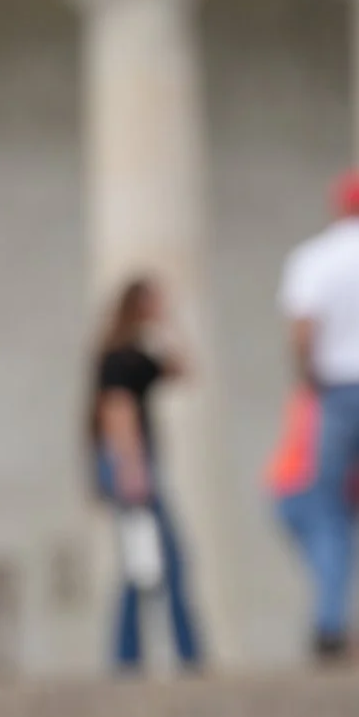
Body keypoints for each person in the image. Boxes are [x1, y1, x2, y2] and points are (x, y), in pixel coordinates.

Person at [279, 168, 359, 659]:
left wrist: (309, 381)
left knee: (329, 509)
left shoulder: (316, 258)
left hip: (339, 393)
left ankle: (331, 621)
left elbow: (304, 330)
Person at [88, 274, 203, 673]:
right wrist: (132, 470)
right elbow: (117, 411)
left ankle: (131, 656)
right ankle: (177, 655)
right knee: (159, 560)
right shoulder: (121, 357)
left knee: (142, 564)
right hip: (129, 463)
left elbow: (185, 370)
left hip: (129, 462)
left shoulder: (137, 354)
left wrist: (168, 327)